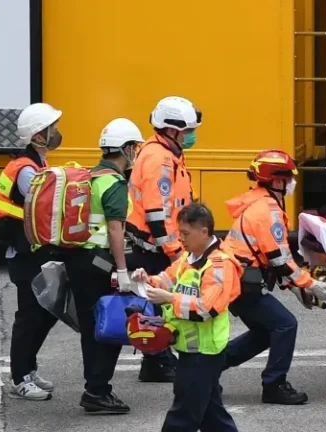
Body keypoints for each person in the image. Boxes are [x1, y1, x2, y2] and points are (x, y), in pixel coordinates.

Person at [223, 149, 326, 405]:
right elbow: (279, 260)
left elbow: (270, 256)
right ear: (276, 181)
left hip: (237, 280)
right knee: (285, 325)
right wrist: (309, 284)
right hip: (243, 283)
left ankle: (209, 369)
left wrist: (293, 286)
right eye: (289, 178)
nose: (293, 183)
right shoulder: (267, 210)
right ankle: (274, 385)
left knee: (266, 331)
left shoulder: (261, 203)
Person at [131, 203, 241, 431]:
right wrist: (146, 280)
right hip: (194, 351)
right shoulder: (188, 259)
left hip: (203, 353)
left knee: (182, 417)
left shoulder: (219, 265)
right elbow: (166, 279)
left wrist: (170, 298)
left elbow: (206, 309)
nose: (180, 238)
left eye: (185, 233)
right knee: (212, 415)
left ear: (204, 231)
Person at [64, 118, 143, 413]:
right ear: (124, 149)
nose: (135, 152)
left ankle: (94, 388)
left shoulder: (91, 176)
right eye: (133, 147)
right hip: (99, 263)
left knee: (90, 327)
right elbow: (114, 230)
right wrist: (122, 271)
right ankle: (98, 391)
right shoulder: (114, 183)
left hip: (80, 260)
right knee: (109, 324)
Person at [126, 96, 202, 382]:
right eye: (187, 131)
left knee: (157, 302)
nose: (191, 135)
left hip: (156, 244)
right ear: (172, 130)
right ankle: (158, 361)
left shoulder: (166, 153)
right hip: (155, 246)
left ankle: (155, 361)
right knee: (158, 303)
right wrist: (174, 252)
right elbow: (157, 213)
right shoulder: (159, 158)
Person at [0, 103, 63, 401]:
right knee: (30, 315)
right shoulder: (26, 169)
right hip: (24, 254)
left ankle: (28, 368)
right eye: (52, 129)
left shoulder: (35, 164)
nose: (56, 132)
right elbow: (45, 207)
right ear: (38, 136)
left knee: (46, 312)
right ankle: (20, 378)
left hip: (32, 250)